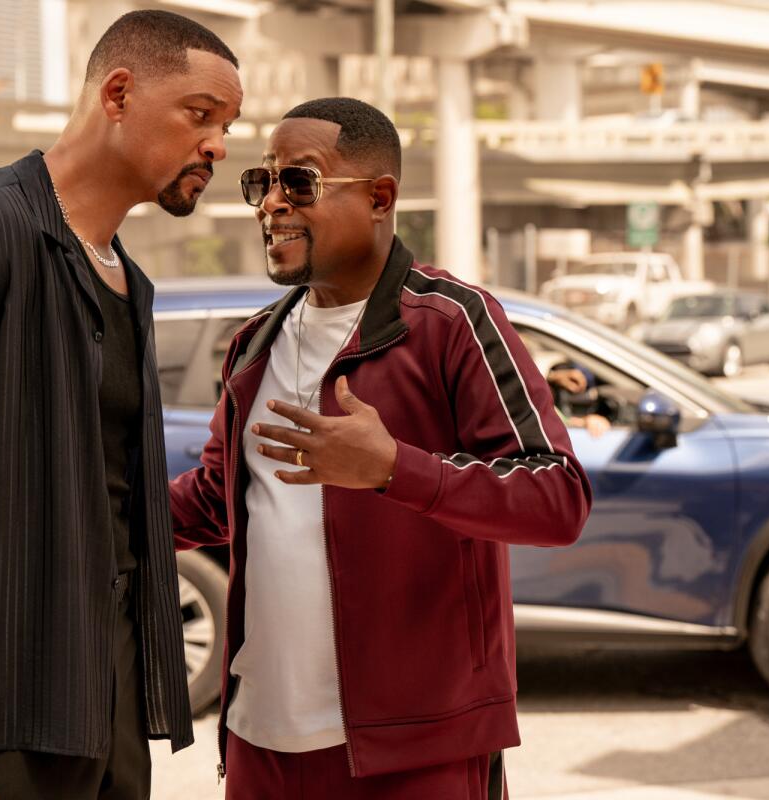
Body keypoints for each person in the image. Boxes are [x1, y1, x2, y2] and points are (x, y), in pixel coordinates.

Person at [0, 11, 242, 800]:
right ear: (119, 94)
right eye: (201, 115)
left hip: (102, 699)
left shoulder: (128, 277)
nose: (219, 146)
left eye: (227, 126)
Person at [168, 98, 592, 800]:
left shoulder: (453, 321)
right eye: (262, 182)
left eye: (298, 182)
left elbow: (557, 497)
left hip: (416, 752)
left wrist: (396, 470)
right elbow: (216, 500)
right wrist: (94, 512)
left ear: (380, 197)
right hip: (258, 744)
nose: (271, 203)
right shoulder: (253, 343)